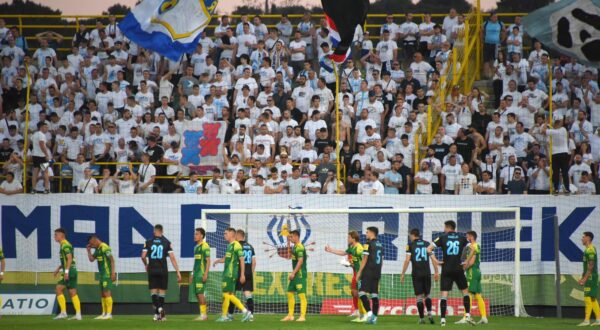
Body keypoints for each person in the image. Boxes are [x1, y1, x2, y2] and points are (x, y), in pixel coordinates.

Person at [427, 220, 473, 326]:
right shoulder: (462, 238)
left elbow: (428, 249)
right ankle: (468, 316)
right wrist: (466, 261)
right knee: (465, 293)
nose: (444, 229)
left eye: (445, 227)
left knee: (444, 295)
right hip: (458, 269)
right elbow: (472, 249)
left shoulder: (443, 237)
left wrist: (436, 260)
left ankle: (443, 319)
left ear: (448, 228)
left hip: (446, 269)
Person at [141, 224, 182, 321]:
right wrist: (178, 271)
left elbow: (143, 256)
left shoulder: (148, 242)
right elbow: (172, 258)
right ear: (162, 231)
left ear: (154, 231)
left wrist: (146, 264)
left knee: (154, 292)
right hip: (163, 270)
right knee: (162, 293)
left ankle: (158, 311)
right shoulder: (167, 242)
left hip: (152, 269)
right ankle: (160, 315)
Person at [324, 231, 367, 319]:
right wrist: (331, 250)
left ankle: (365, 314)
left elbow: (365, 261)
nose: (347, 239)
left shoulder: (359, 248)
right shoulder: (352, 247)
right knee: (354, 292)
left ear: (353, 238)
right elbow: (343, 253)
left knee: (360, 294)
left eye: (349, 238)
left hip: (361, 274)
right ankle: (357, 311)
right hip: (356, 273)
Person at [401, 228, 439, 325]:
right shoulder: (427, 244)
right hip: (427, 273)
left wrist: (403, 273)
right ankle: (430, 314)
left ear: (413, 235)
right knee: (427, 295)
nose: (409, 237)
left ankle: (422, 318)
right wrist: (436, 271)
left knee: (419, 297)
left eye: (410, 235)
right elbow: (433, 259)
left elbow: (407, 260)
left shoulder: (410, 245)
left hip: (416, 274)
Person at [214, 228, 252, 322]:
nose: (224, 235)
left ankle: (245, 311)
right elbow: (226, 259)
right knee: (227, 295)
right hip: (227, 273)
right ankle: (224, 316)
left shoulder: (236, 245)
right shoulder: (229, 246)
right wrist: (218, 261)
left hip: (231, 274)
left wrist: (242, 274)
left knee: (227, 294)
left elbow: (242, 259)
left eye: (226, 233)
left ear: (232, 234)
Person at [53, 228, 81, 320]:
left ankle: (63, 312)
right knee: (73, 292)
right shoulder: (64, 245)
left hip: (69, 271)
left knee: (58, 289)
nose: (55, 237)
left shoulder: (65, 245)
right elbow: (66, 260)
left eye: (56, 234)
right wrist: (59, 268)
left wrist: (66, 272)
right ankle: (78, 315)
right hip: (72, 270)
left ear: (62, 235)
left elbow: (69, 258)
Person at [227, 229, 256, 320]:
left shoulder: (236, 246)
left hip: (238, 272)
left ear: (237, 236)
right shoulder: (251, 247)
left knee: (232, 293)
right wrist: (249, 273)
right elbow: (254, 262)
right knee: (248, 294)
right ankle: (251, 315)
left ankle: (230, 314)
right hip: (248, 273)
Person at [86, 234, 116, 320]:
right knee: (103, 294)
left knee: (107, 293)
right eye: (90, 244)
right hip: (102, 275)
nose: (91, 245)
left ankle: (109, 314)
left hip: (107, 274)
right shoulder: (97, 249)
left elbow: (112, 260)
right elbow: (91, 259)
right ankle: (104, 313)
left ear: (95, 239)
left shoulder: (104, 247)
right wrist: (88, 251)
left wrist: (113, 273)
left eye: (91, 243)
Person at [282, 229, 308, 322]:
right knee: (290, 293)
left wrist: (293, 273)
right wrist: (288, 242)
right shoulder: (295, 247)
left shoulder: (300, 247)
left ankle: (302, 316)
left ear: (296, 236)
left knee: (301, 295)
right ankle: (290, 315)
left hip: (300, 274)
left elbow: (300, 261)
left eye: (291, 236)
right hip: (295, 274)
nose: (290, 237)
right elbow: (289, 255)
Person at [463, 231, 488, 324]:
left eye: (467, 236)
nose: (466, 237)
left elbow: (472, 261)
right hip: (477, 271)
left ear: (471, 236)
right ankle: (484, 317)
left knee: (468, 293)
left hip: (472, 272)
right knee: (477, 294)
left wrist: (464, 268)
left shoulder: (474, 246)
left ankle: (466, 317)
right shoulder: (475, 246)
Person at [578, 232, 600, 326]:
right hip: (591, 277)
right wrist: (583, 277)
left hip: (591, 277)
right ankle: (598, 319)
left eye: (583, 237)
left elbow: (591, 266)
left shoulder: (590, 250)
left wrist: (584, 279)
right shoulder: (588, 249)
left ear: (588, 238)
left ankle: (586, 320)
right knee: (592, 298)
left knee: (587, 297)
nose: (582, 239)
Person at [191, 228, 210, 321]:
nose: (195, 236)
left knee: (200, 294)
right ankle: (203, 314)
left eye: (197, 234)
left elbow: (208, 261)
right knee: (198, 294)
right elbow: (196, 262)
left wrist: (205, 274)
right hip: (196, 274)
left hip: (201, 274)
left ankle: (203, 315)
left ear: (202, 236)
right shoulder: (196, 247)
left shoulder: (205, 246)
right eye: (195, 234)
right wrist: (192, 273)